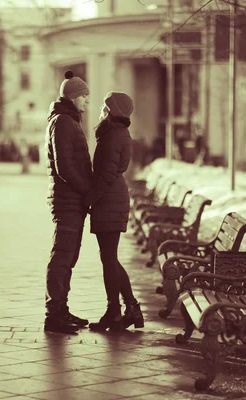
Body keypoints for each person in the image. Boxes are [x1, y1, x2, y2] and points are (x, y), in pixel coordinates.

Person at [84, 92, 144, 332]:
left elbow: (107, 174)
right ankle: (130, 308)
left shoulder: (112, 135)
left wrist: (89, 199)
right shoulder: (116, 133)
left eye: (105, 106)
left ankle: (115, 312)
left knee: (108, 258)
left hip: (110, 200)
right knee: (109, 257)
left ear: (112, 111)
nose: (101, 109)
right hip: (112, 199)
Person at [44, 70, 92, 334]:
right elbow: (65, 167)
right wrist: (87, 191)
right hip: (67, 199)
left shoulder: (68, 119)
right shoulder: (62, 122)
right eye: (84, 96)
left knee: (68, 256)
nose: (87, 101)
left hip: (72, 199)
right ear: (73, 97)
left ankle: (61, 309)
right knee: (62, 256)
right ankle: (54, 314)